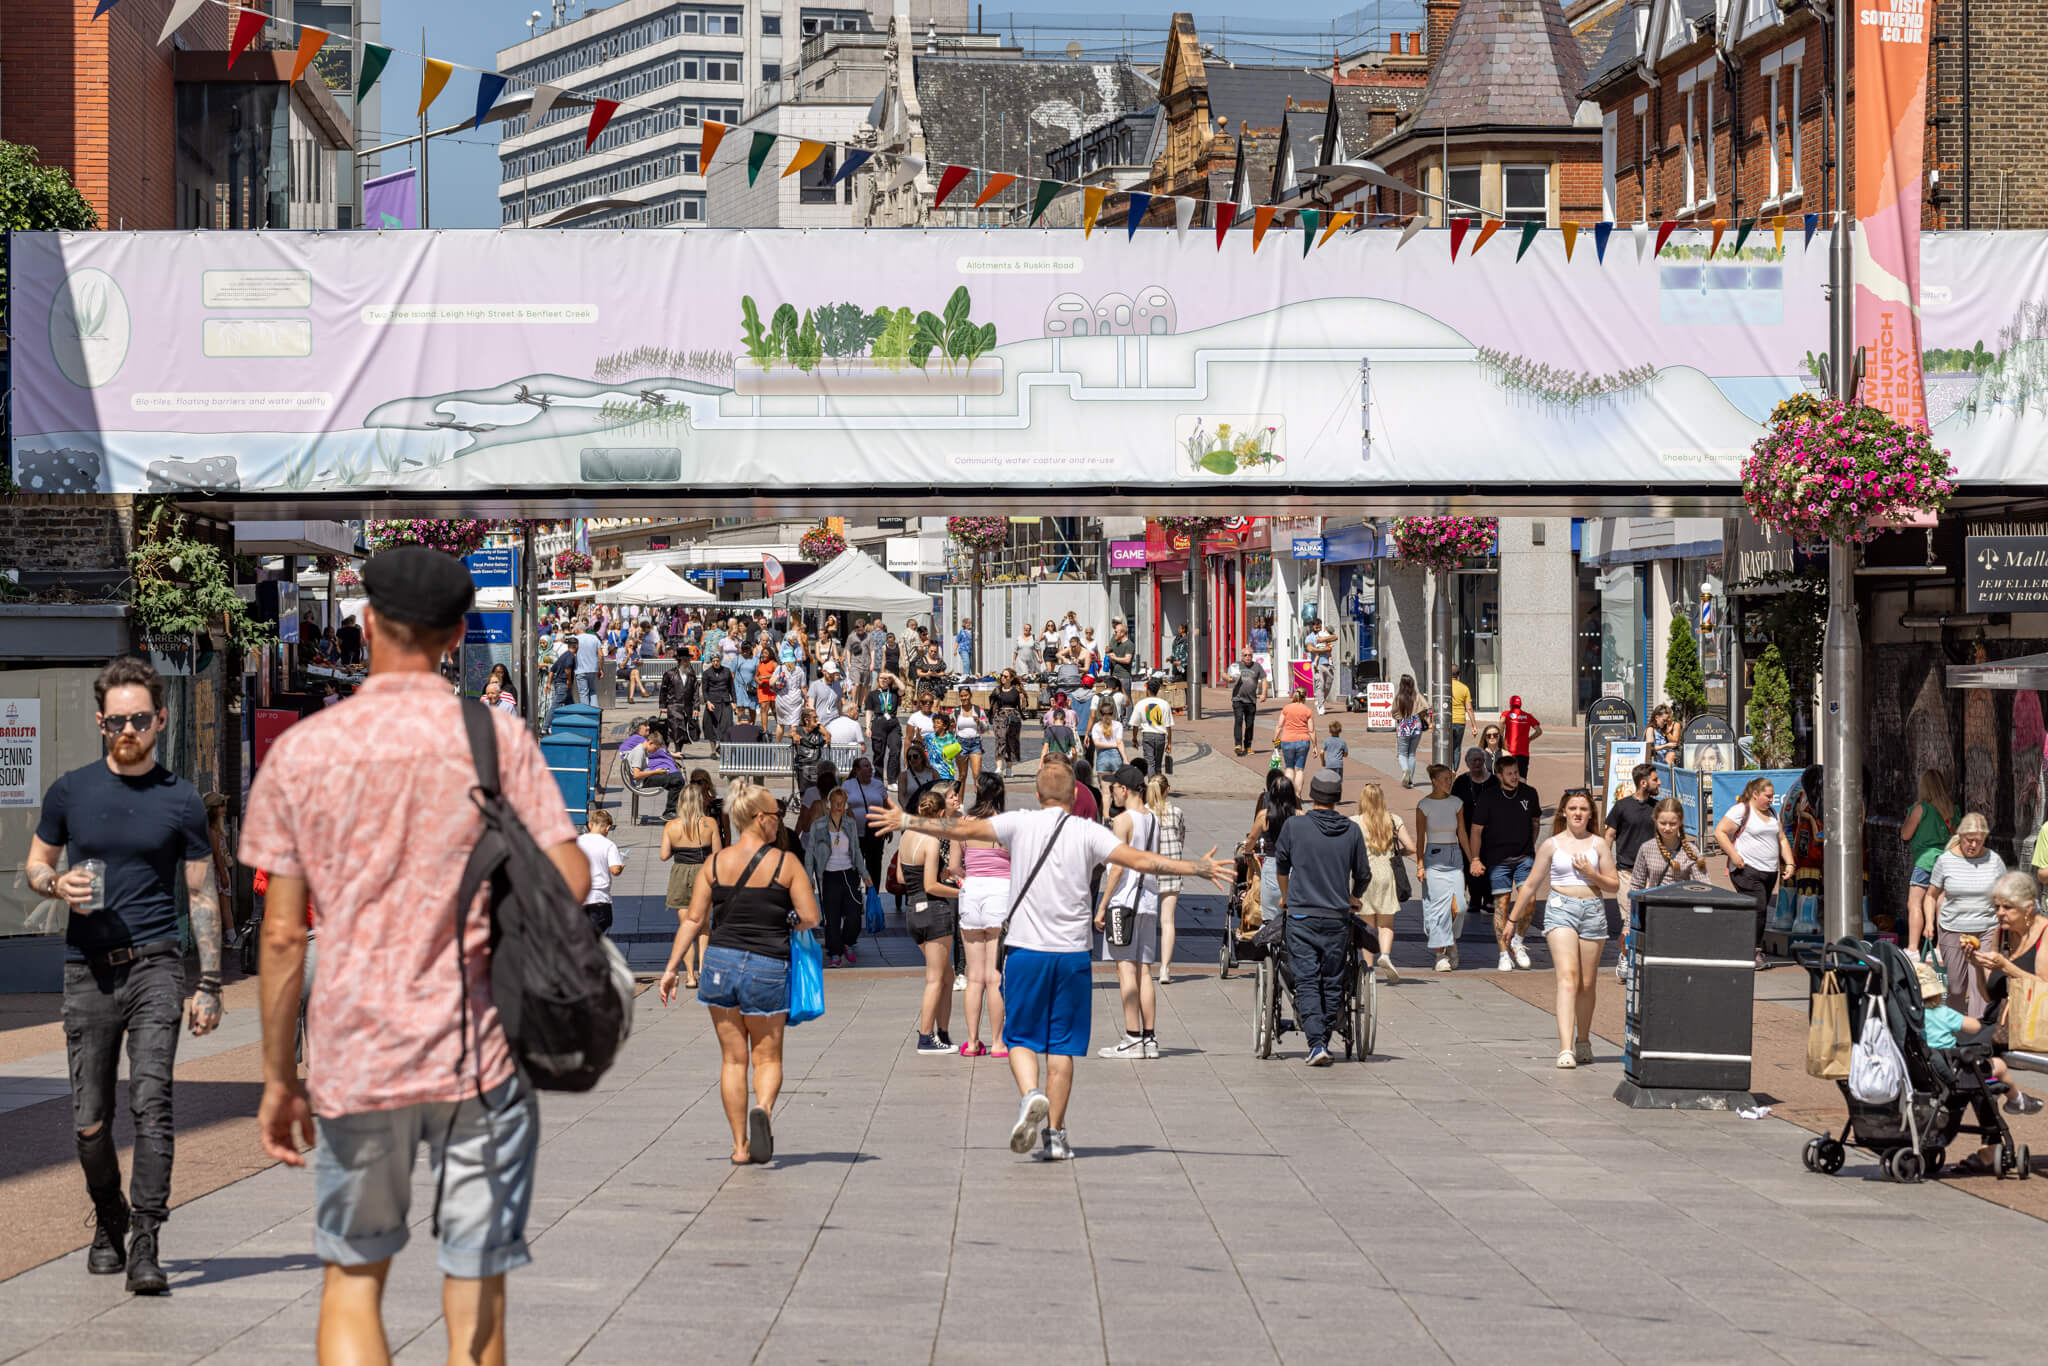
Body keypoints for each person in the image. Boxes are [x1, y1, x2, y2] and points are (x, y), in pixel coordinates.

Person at [241, 547, 586, 1357]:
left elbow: (285, 932)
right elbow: (570, 874)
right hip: (479, 1052)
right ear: (459, 633)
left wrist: (278, 1079)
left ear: (365, 626)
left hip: (358, 1054)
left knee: (354, 1279)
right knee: (476, 1285)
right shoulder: (494, 740)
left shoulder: (306, 751)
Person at [867, 758, 1228, 1159]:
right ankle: (1055, 1135)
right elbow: (1141, 861)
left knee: (1019, 1038)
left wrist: (906, 821)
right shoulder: (1090, 831)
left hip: (1026, 951)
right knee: (1063, 1049)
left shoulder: (1019, 823)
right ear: (1076, 796)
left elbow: (961, 828)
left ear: (1037, 796)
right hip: (1073, 954)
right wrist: (1195, 867)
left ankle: (1030, 1094)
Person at [24, 656, 224, 1296]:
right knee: (89, 1121)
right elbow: (35, 865)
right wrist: (56, 884)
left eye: (140, 718)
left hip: (157, 966)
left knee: (153, 1104)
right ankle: (109, 1218)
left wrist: (211, 983)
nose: (128, 729)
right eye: (117, 721)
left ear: (160, 720)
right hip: (87, 970)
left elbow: (201, 893)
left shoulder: (181, 799)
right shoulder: (69, 792)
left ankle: (145, 1240)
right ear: (100, 722)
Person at [660, 782, 822, 1165]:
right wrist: (785, 922)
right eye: (777, 816)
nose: (780, 822)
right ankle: (763, 1109)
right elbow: (811, 917)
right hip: (767, 964)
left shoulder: (714, 864)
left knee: (733, 1060)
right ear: (761, 818)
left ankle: (739, 1146)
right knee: (767, 1058)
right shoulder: (786, 864)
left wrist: (671, 969)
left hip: (718, 964)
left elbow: (694, 920)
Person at [1508, 788, 1619, 1068]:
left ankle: (1584, 1039)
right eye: (1573, 808)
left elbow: (1614, 884)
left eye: (1583, 808)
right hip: (1561, 910)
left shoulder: (1599, 845)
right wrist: (1512, 920)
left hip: (1593, 910)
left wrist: (1592, 874)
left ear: (1590, 814)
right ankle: (1566, 1048)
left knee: (1586, 982)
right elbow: (1532, 883)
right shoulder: (1552, 844)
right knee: (1567, 977)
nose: (1578, 813)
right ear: (1563, 813)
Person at [1275, 770, 1375, 1066]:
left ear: (1311, 796)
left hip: (1302, 913)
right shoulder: (1352, 831)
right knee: (1333, 978)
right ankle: (1325, 1035)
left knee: (1306, 977)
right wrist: (1354, 896)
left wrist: (1285, 896)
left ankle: (1317, 1043)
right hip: (1336, 915)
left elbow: (1281, 865)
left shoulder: (1295, 826)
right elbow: (1364, 874)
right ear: (1337, 798)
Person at [1094, 765, 1166, 1059]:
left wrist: (1101, 905)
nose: (1111, 793)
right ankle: (1149, 1038)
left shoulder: (1123, 821)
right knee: (1145, 970)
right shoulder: (1154, 820)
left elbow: (1117, 868)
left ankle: (1132, 1036)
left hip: (1123, 901)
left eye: (1113, 789)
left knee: (1125, 969)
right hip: (1148, 898)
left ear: (1124, 789)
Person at [950, 775, 1011, 1056]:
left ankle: (973, 1042)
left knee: (974, 976)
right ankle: (998, 1042)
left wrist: (969, 879)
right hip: (1000, 893)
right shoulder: (1006, 826)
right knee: (995, 976)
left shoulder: (962, 824)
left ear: (977, 791)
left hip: (971, 893)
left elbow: (954, 867)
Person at [1928, 812, 2007, 1016]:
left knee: (1981, 988)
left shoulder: (1994, 860)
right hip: (1953, 930)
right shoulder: (1945, 861)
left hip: (1986, 930)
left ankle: (1979, 1035)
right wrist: (1929, 923)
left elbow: (2006, 891)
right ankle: (1957, 1034)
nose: (1973, 845)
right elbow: (1931, 895)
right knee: (1955, 988)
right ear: (1960, 836)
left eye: (1978, 842)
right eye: (1969, 840)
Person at [899, 791, 961, 1053]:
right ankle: (925, 1037)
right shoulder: (932, 841)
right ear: (938, 815)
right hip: (934, 912)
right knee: (936, 978)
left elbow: (904, 880)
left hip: (914, 910)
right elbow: (931, 885)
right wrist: (962, 892)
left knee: (947, 976)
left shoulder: (906, 837)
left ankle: (943, 1033)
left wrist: (937, 873)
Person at [1469, 753, 1542, 971]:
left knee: (1529, 901)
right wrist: (1475, 858)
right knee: (1501, 905)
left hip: (1524, 857)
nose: (1514, 777)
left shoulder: (1529, 793)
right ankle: (1503, 952)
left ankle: (1518, 941)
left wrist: (1530, 846)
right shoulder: (1489, 797)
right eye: (1509, 774)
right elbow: (1476, 830)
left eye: (1516, 773)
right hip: (1497, 859)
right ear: (1499, 775)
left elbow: (1535, 821)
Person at [1714, 778, 1795, 963]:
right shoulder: (1741, 810)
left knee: (1758, 909)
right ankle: (1753, 951)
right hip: (1746, 870)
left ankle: (1738, 944)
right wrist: (1734, 855)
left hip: (1769, 871)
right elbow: (1720, 832)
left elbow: (1781, 838)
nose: (1770, 800)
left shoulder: (1773, 813)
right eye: (1767, 796)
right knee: (1758, 908)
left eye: (1773, 797)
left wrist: (1790, 863)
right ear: (1755, 794)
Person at [661, 780, 722, 989]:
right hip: (703, 873)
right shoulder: (710, 823)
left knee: (686, 927)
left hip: (680, 874)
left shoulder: (671, 826)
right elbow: (718, 854)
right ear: (699, 802)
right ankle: (703, 970)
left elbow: (663, 855)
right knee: (704, 927)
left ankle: (689, 976)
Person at [1352, 783, 1413, 982]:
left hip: (1365, 875)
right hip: (1387, 873)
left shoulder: (1354, 822)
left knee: (1367, 924)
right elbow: (1411, 847)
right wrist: (1397, 852)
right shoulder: (1394, 820)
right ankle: (1385, 956)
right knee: (1386, 923)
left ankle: (1368, 969)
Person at [804, 786, 869, 968]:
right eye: (836, 803)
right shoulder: (819, 825)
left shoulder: (849, 824)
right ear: (829, 804)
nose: (839, 806)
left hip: (849, 873)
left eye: (842, 803)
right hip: (829, 875)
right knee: (831, 918)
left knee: (854, 915)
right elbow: (810, 853)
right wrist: (808, 877)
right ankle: (835, 953)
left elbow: (856, 849)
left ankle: (847, 942)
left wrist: (865, 874)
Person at [1414, 764, 1469, 972]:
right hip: (1433, 857)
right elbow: (1420, 838)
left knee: (1460, 907)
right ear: (1434, 781)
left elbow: (1462, 833)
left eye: (1450, 778)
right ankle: (1440, 955)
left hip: (1455, 857)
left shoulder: (1456, 803)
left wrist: (1473, 859)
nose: (1449, 782)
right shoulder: (1424, 805)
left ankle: (1451, 940)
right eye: (1445, 779)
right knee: (1439, 909)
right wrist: (1420, 864)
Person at [1903, 769, 1957, 960]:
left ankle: (1913, 948)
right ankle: (1940, 950)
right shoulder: (1953, 810)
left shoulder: (1921, 809)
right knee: (1941, 903)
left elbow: (1905, 834)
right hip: (1946, 861)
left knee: (1915, 903)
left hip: (1925, 861)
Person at [1142, 773, 1189, 987]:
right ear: (1167, 790)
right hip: (1171, 867)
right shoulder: (1176, 812)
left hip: (1150, 868)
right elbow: (1181, 836)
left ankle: (1144, 964)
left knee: (1147, 919)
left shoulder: (1144, 813)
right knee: (1168, 919)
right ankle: (1165, 968)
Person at [1247, 768, 1301, 933]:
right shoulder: (1300, 816)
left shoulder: (1264, 816)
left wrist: (1247, 851)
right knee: (1294, 919)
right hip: (1294, 870)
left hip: (1272, 868)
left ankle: (1271, 953)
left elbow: (1251, 840)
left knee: (1269, 920)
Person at [1604, 764, 1661, 884]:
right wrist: (1605, 863)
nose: (1659, 782)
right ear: (1643, 783)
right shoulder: (1622, 806)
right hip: (1626, 872)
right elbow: (1609, 835)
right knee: (1627, 904)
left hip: (1652, 871)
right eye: (1655, 780)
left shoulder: (1658, 807)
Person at [576, 808, 627, 939]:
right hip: (599, 898)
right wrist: (620, 867)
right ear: (608, 827)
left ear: (589, 825)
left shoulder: (577, 842)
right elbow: (614, 870)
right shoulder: (609, 845)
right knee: (597, 931)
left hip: (579, 896)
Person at [629, 724, 689, 819]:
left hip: (646, 776)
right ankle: (669, 812)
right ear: (651, 743)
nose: (655, 751)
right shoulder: (639, 752)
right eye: (656, 748)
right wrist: (655, 772)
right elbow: (636, 775)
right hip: (642, 781)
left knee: (676, 781)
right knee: (678, 780)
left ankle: (675, 808)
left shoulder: (643, 749)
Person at [1271, 688, 1316, 795]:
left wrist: (1276, 741)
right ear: (1304, 697)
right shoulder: (1307, 710)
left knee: (1289, 768)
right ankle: (1298, 795)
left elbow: (1279, 726)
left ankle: (1287, 794)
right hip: (1303, 741)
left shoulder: (1286, 708)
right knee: (1299, 770)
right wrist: (1315, 746)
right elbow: (1311, 730)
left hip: (1287, 741)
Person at [865, 670, 904, 782]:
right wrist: (867, 727)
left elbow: (903, 688)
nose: (883, 680)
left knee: (895, 750)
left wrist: (892, 675)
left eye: (886, 678)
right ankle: (878, 779)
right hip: (878, 723)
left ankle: (892, 779)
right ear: (877, 679)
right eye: (881, 678)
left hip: (893, 724)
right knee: (879, 753)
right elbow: (868, 711)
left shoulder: (894, 691)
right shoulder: (873, 694)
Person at [1230, 646, 1269, 756]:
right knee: (1238, 720)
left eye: (1250, 655)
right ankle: (1238, 745)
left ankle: (1248, 746)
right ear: (1241, 656)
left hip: (1251, 700)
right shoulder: (1236, 665)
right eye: (1245, 655)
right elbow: (1225, 674)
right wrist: (1227, 678)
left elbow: (1264, 679)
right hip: (1237, 698)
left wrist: (1264, 693)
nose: (1248, 657)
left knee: (1250, 724)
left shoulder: (1257, 666)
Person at [1131, 678, 1173, 780]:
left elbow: (1135, 724)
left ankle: (1151, 787)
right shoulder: (1164, 704)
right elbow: (1168, 726)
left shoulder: (1140, 703)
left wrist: (1134, 738)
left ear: (1147, 690)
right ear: (1158, 690)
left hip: (1147, 736)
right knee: (1158, 764)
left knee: (1150, 763)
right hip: (1160, 737)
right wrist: (1169, 742)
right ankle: (1158, 787)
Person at [991, 669, 1026, 780]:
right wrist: (993, 717)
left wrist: (1022, 699)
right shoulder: (997, 690)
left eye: (1006, 676)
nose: (1003, 678)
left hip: (1013, 717)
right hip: (1000, 716)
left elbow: (1023, 707)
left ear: (1011, 678)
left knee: (1012, 742)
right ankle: (999, 768)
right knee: (1000, 740)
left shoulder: (1016, 691)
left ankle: (1009, 768)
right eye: (1002, 676)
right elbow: (993, 705)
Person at [660, 649, 699, 747]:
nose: (686, 662)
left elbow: (695, 692)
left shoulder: (691, 675)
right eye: (684, 660)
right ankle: (671, 750)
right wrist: (663, 705)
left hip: (687, 706)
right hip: (674, 705)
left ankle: (678, 751)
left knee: (683, 730)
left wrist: (696, 707)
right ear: (679, 661)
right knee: (675, 728)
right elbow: (663, 690)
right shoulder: (670, 674)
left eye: (687, 660)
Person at [1391, 674, 1423, 787]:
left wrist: (1399, 718)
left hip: (1404, 727)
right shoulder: (1417, 696)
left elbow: (1393, 712)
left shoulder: (1398, 697)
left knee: (1402, 754)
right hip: (1416, 727)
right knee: (1412, 754)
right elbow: (1426, 708)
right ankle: (1410, 781)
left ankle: (1405, 770)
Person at [952, 685, 988, 786]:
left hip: (975, 744)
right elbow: (951, 730)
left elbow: (986, 728)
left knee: (977, 775)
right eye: (961, 696)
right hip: (960, 744)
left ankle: (980, 800)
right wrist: (951, 727)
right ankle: (960, 802)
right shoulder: (956, 711)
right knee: (962, 776)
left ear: (970, 695)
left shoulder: (978, 710)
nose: (964, 698)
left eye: (966, 695)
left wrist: (979, 722)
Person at [701, 643, 737, 745]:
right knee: (711, 727)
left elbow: (731, 688)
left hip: (725, 702)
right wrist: (707, 702)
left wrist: (734, 702)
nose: (716, 663)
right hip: (712, 702)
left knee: (726, 726)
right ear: (711, 662)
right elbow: (704, 690)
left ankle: (722, 747)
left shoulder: (726, 671)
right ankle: (713, 750)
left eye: (717, 661)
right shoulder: (707, 673)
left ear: (720, 660)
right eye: (713, 661)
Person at [1499, 695, 1542, 770]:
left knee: (1508, 776)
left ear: (1510, 705)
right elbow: (1539, 731)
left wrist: (1501, 737)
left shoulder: (1506, 714)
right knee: (1522, 777)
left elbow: (1502, 721)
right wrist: (1529, 739)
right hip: (1523, 752)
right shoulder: (1528, 716)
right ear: (1520, 705)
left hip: (1509, 751)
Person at [1305, 617, 1338, 714]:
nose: (1317, 627)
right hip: (1317, 665)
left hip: (1327, 663)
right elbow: (1311, 649)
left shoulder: (1324, 634)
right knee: (1320, 684)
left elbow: (1335, 637)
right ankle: (1320, 706)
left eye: (1319, 625)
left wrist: (1323, 639)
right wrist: (1324, 650)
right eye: (1315, 625)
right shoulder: (1310, 637)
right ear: (1312, 626)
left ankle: (1320, 700)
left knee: (1328, 684)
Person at [773, 653, 807, 740]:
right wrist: (807, 699)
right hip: (795, 699)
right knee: (794, 724)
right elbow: (803, 687)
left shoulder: (780, 669)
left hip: (782, 699)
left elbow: (770, 683)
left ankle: (778, 745)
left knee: (780, 724)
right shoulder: (799, 670)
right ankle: (794, 746)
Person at [1087, 701, 1126, 773]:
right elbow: (1119, 743)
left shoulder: (1096, 726)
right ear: (1113, 713)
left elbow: (1097, 743)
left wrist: (1113, 744)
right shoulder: (1118, 725)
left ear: (1100, 714)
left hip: (1102, 756)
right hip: (1116, 756)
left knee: (1103, 784)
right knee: (1117, 783)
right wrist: (1125, 759)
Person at [1042, 689, 1080, 763]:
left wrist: (1052, 707)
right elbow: (1076, 723)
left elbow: (1045, 723)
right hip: (1067, 747)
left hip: (1053, 747)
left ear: (1054, 701)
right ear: (1066, 701)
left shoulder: (1050, 714)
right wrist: (1069, 707)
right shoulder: (1072, 713)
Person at [573, 622, 602, 706]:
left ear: (578, 630)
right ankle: (594, 714)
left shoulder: (575, 639)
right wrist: (600, 669)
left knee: (583, 693)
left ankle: (586, 716)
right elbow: (601, 655)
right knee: (593, 691)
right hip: (593, 669)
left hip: (580, 669)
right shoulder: (594, 638)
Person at [1104, 620, 1137, 691]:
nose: (1114, 634)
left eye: (1116, 632)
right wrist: (1110, 657)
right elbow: (1113, 658)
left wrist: (1115, 658)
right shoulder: (1116, 644)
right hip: (1115, 676)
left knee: (1126, 699)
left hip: (1124, 677)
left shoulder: (1129, 644)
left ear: (1122, 633)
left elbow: (1127, 660)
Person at [1448, 674, 1472, 756]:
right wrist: (1474, 725)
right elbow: (1469, 708)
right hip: (1460, 720)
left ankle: (1447, 767)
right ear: (1458, 675)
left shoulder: (1444, 687)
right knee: (1457, 747)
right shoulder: (1464, 688)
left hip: (1447, 720)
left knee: (1446, 745)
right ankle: (1455, 769)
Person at [1320, 719, 1349, 785]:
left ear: (1329, 731)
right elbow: (1346, 754)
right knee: (1338, 781)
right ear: (1340, 731)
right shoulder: (1342, 742)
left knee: (1329, 781)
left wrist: (1323, 761)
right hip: (1338, 765)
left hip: (1329, 764)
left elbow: (1321, 752)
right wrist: (1342, 754)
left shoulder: (1327, 741)